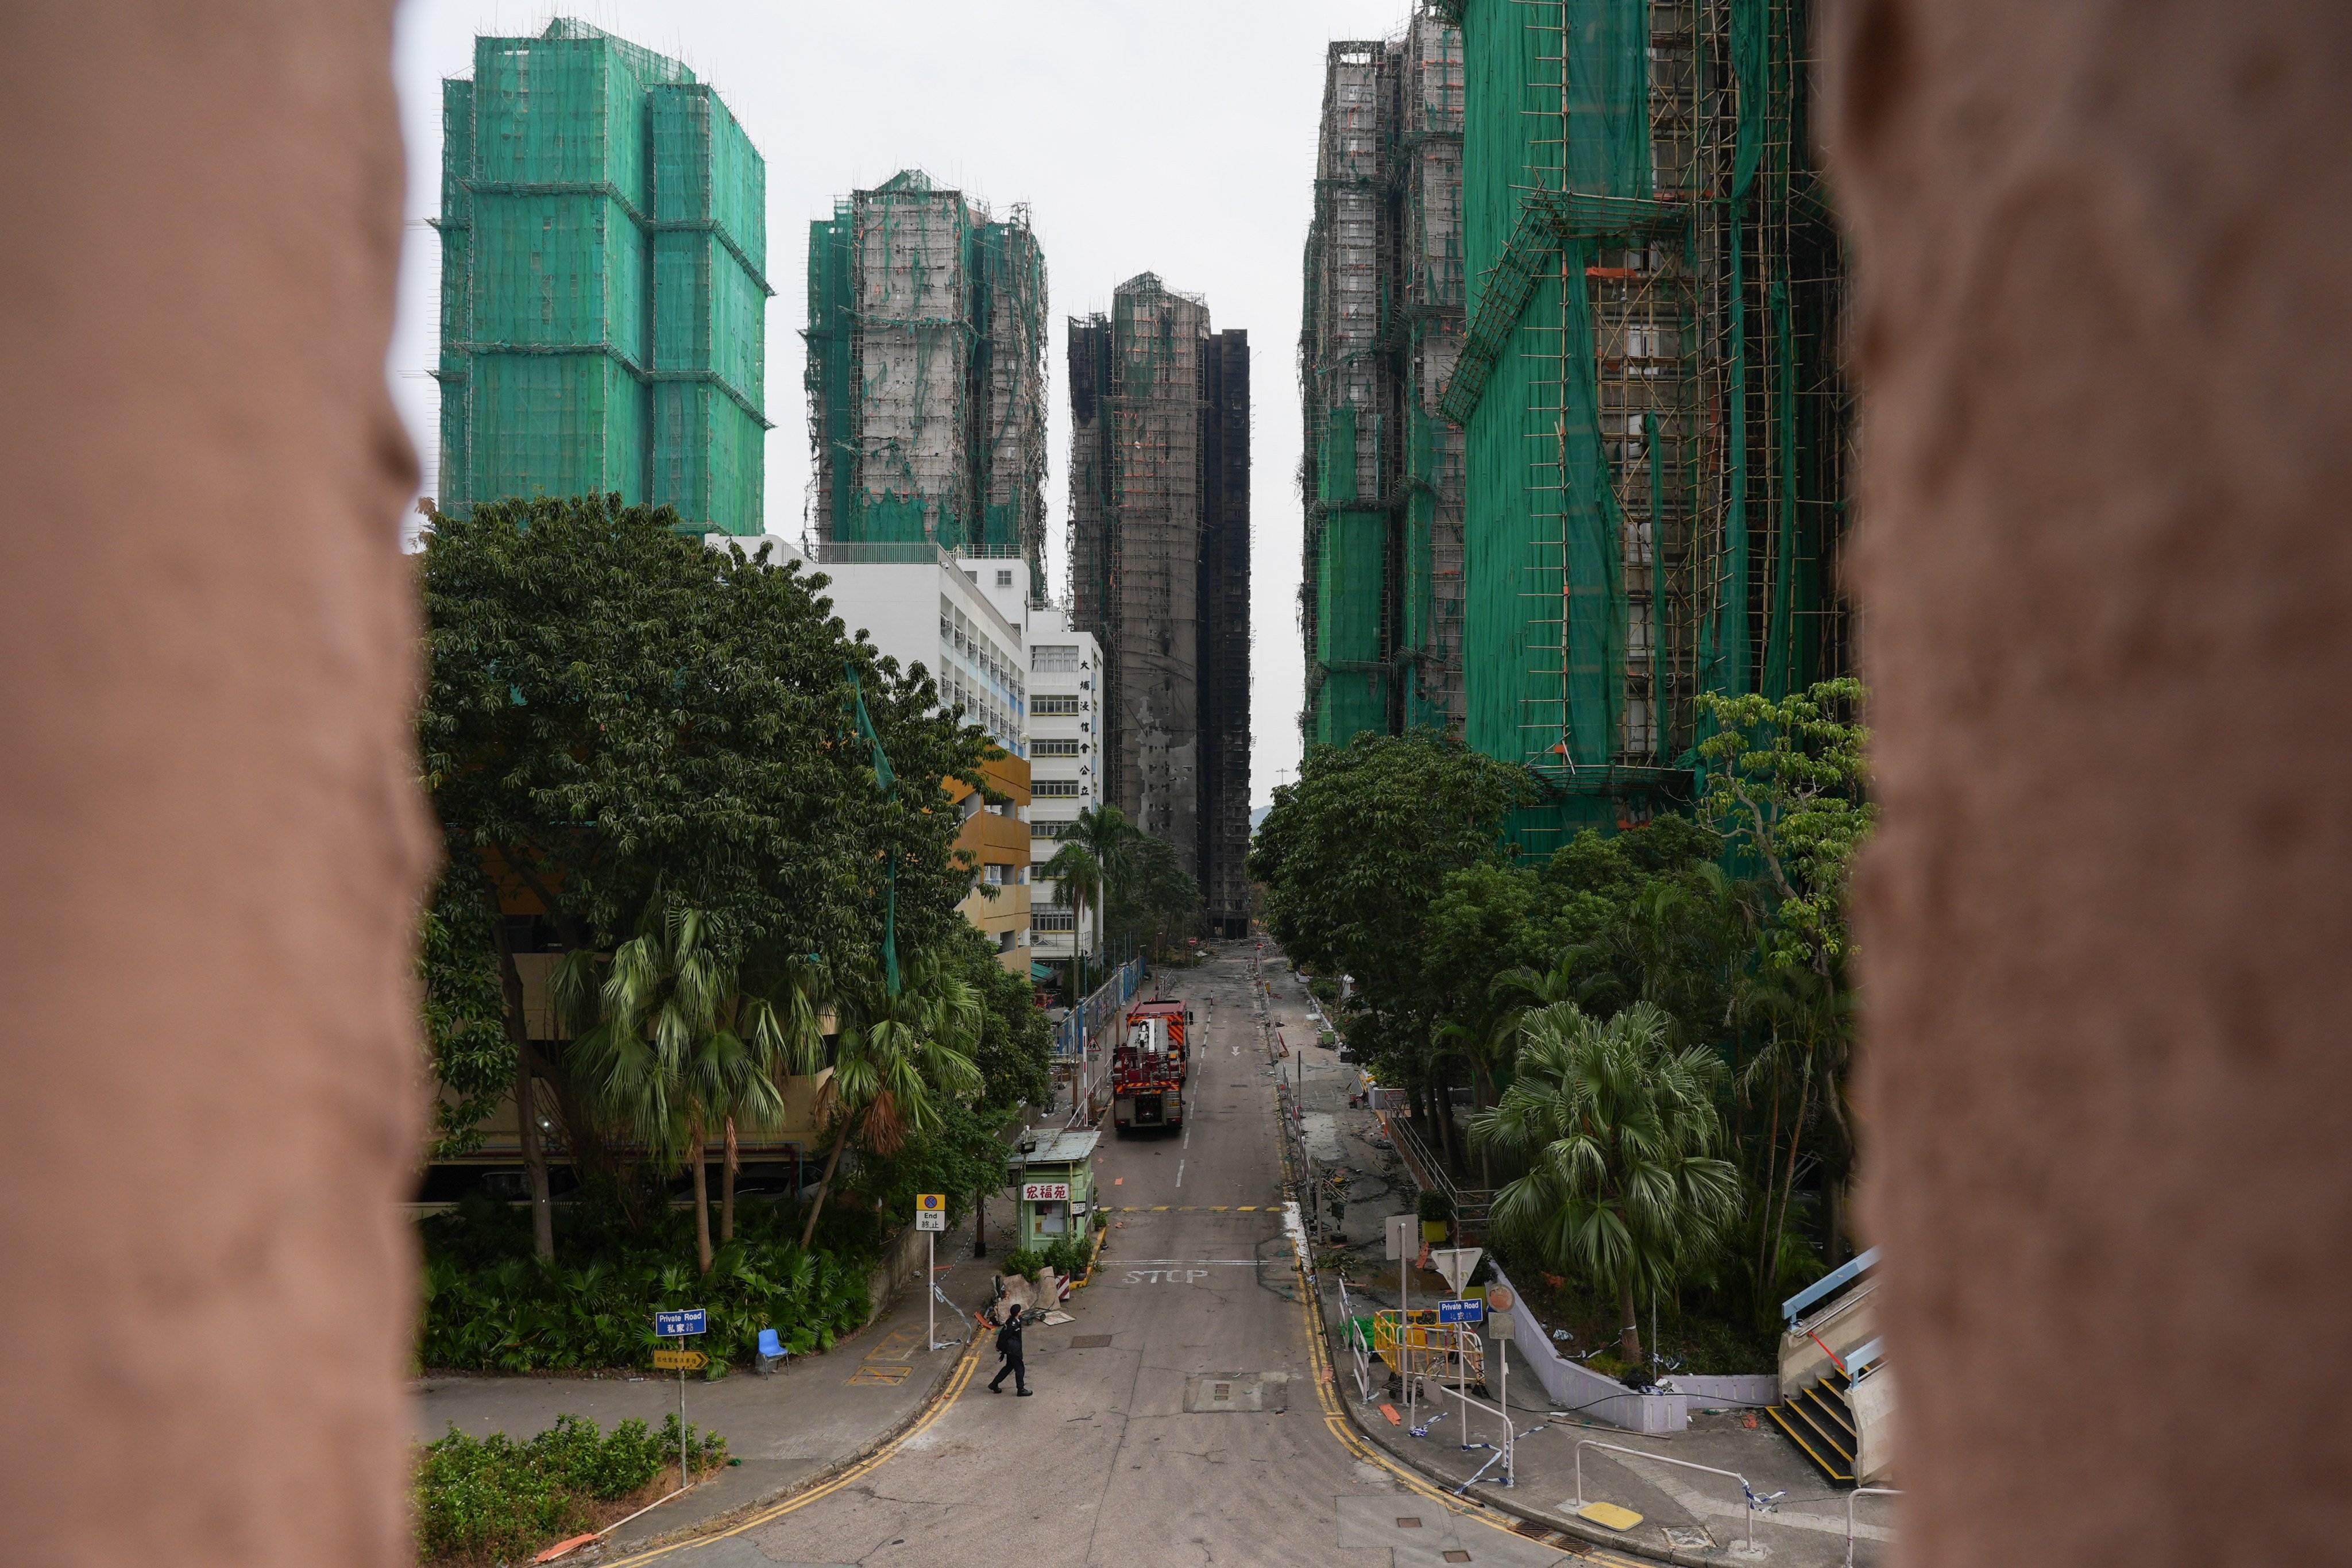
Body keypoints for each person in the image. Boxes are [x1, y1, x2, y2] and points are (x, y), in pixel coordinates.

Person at [990, 1303, 1031, 1396]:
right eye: (1020, 1311)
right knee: (1020, 1369)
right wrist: (999, 1346)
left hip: (1011, 1350)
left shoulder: (1011, 1321)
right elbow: (1004, 1335)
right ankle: (1021, 1390)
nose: (1021, 1312)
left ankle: (994, 1384)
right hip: (1014, 1350)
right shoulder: (1013, 1324)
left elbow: (1002, 1333)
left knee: (1008, 1368)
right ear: (1018, 1313)